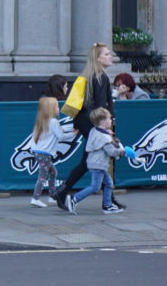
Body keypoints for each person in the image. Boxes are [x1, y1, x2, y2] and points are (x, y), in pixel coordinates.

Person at [56, 42, 125, 211]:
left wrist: (78, 123)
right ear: (98, 58)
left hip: (86, 122)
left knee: (89, 160)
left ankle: (65, 191)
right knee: (97, 159)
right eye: (107, 54)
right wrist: (105, 128)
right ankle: (105, 200)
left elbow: (83, 103)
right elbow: (101, 106)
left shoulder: (90, 75)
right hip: (94, 123)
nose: (110, 57)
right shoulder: (100, 77)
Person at [65, 107, 126, 215]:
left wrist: (108, 134)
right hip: (99, 164)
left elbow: (102, 137)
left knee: (108, 183)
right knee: (95, 187)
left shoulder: (94, 131)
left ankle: (107, 205)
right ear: (102, 121)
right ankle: (74, 199)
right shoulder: (104, 138)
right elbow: (112, 152)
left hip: (94, 163)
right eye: (109, 119)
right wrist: (122, 150)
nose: (111, 120)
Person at [29, 96, 66, 207]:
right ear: (51, 109)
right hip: (44, 154)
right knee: (42, 176)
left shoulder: (42, 121)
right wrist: (73, 133)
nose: (58, 109)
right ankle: (35, 198)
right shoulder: (53, 122)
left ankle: (51, 195)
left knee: (53, 172)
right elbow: (61, 135)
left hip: (39, 152)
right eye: (57, 107)